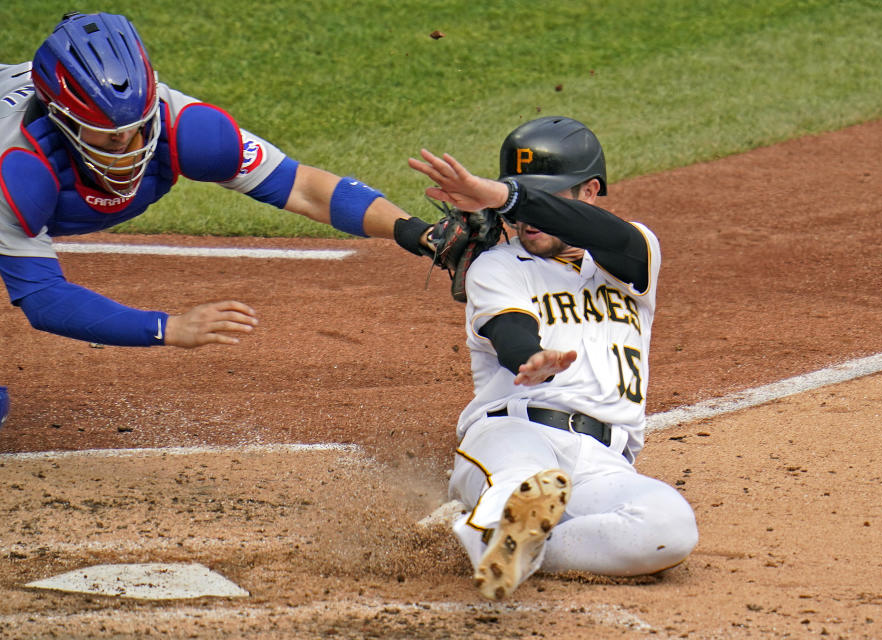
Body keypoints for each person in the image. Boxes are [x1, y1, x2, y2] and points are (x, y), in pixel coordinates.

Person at [0, 12, 434, 425]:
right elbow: (42, 297)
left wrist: (411, 229)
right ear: (60, 118)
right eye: (107, 135)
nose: (128, 142)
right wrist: (168, 327)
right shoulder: (18, 168)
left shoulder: (186, 129)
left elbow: (301, 187)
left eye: (137, 124)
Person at [408, 116, 699, 600]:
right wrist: (531, 357)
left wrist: (506, 195)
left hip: (601, 461)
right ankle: (502, 527)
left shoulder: (635, 255)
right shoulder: (496, 265)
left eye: (548, 197)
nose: (529, 218)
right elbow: (510, 331)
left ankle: (513, 544)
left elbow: (601, 233)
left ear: (589, 192)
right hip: (512, 434)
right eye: (521, 198)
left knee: (669, 528)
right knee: (525, 482)